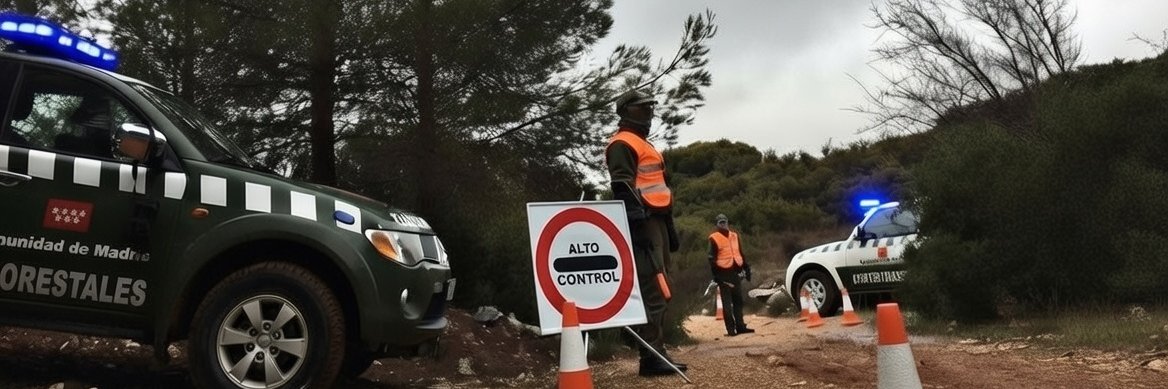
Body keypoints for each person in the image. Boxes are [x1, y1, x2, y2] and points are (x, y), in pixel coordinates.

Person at [606, 90, 687, 377]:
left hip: (658, 220)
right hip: (644, 223)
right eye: (642, 109)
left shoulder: (645, 145)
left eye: (649, 109)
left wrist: (670, 227)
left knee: (664, 286)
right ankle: (650, 356)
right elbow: (622, 188)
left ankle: (657, 351)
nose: (648, 114)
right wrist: (637, 228)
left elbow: (661, 188)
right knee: (654, 286)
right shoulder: (622, 143)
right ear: (626, 111)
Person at [708, 214, 755, 336]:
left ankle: (740, 326)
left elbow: (739, 252)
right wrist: (716, 276)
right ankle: (730, 330)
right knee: (727, 304)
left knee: (738, 301)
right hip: (723, 274)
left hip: (735, 273)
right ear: (717, 225)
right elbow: (711, 258)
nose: (723, 224)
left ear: (728, 222)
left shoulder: (734, 236)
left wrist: (746, 268)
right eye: (720, 222)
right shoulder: (714, 238)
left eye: (725, 222)